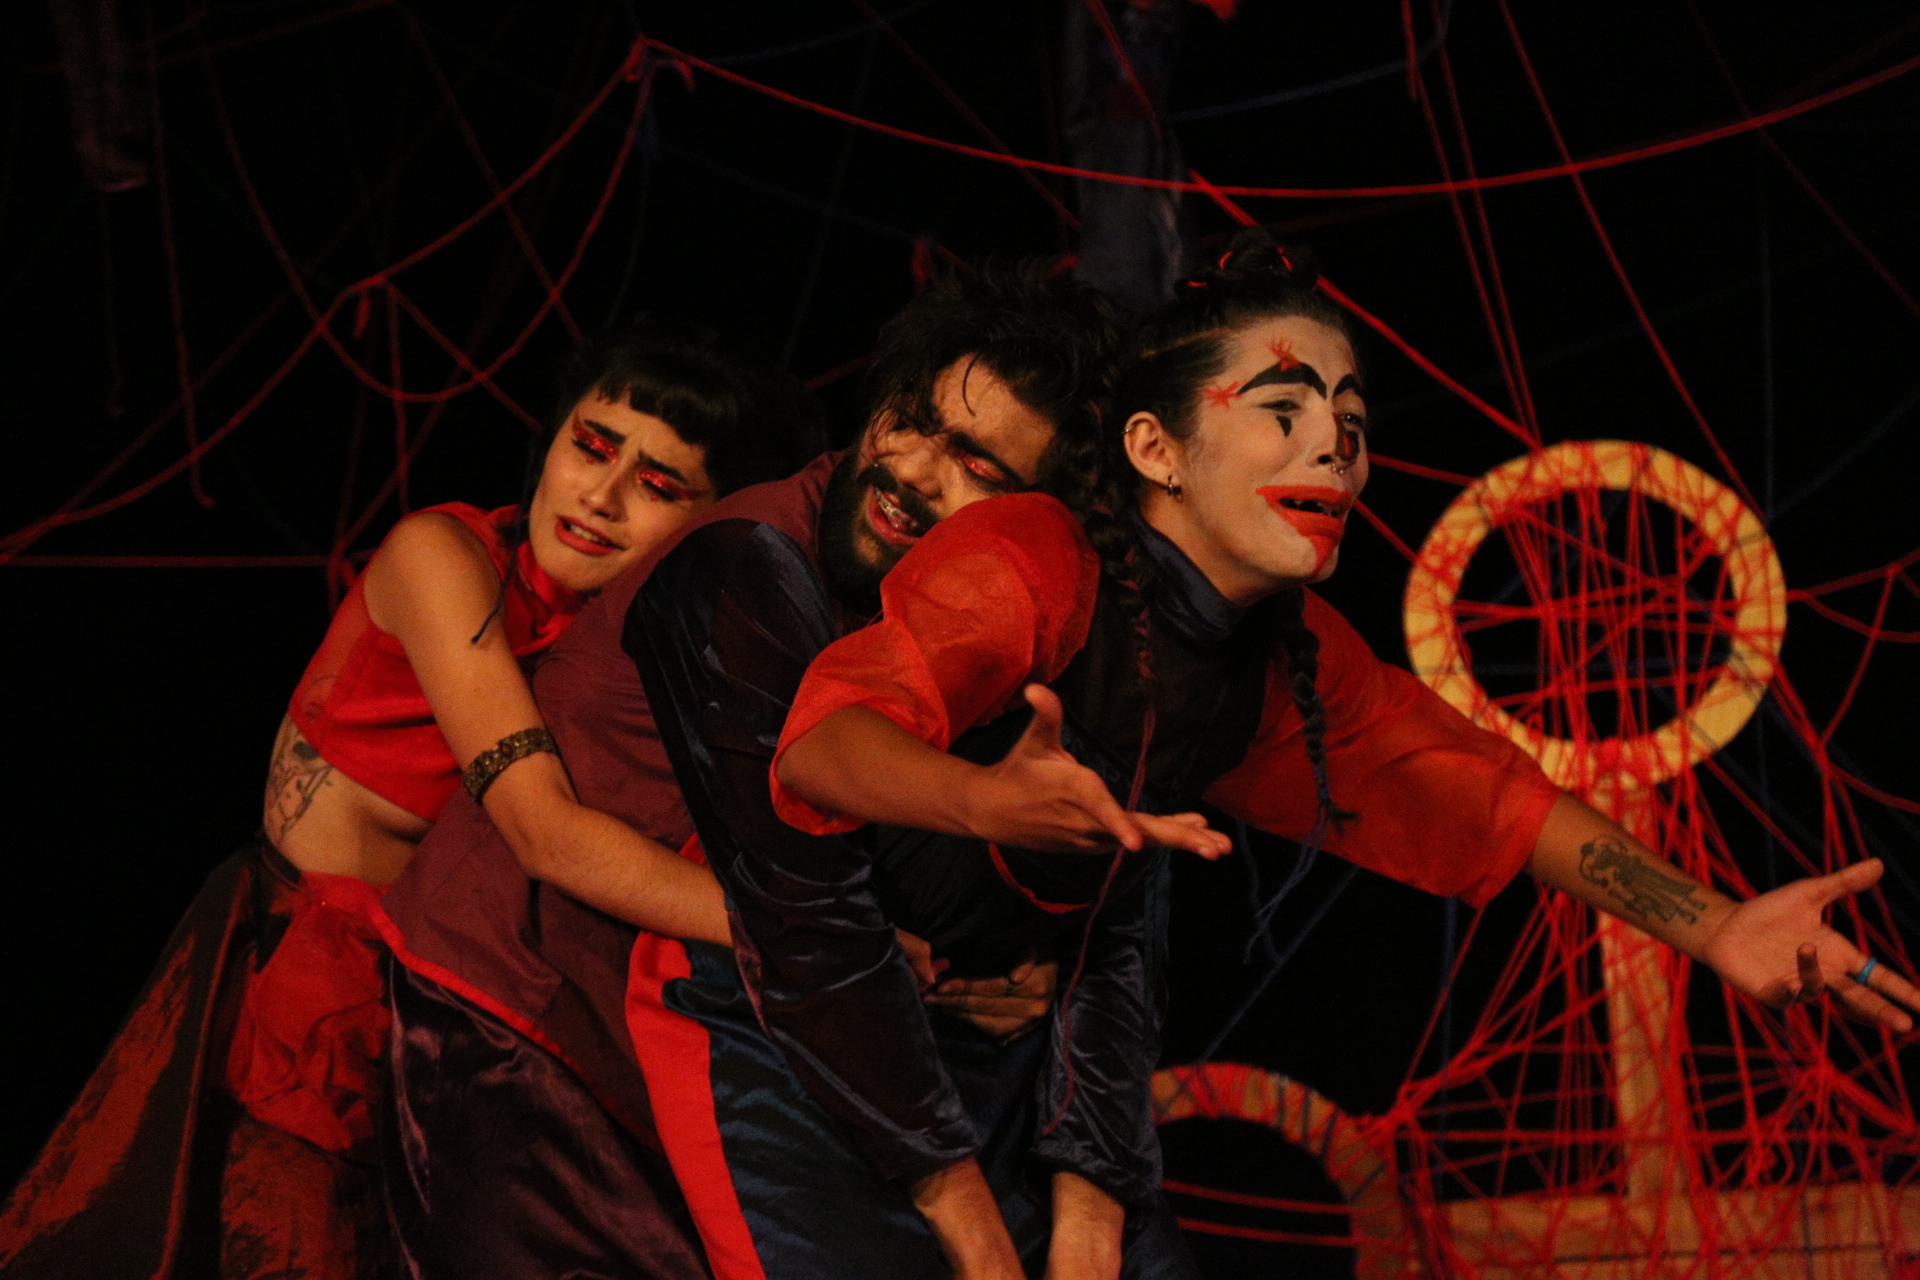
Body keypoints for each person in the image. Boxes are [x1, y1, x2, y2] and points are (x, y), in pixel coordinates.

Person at [765, 228, 1920, 1278]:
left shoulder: (1288, 656)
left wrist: (1715, 925)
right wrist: (983, 797)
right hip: (813, 1043)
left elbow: (1491, 799)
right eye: (1285, 412)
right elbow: (820, 744)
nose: (1336, 451)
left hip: (1026, 1067)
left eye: (1353, 427)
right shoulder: (1031, 556)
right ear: (1157, 447)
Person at [0, 319, 822, 1280]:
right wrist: (816, 934)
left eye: (658, 483)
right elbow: (546, 835)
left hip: (445, 1006)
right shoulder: (442, 554)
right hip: (306, 983)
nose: (598, 496)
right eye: (592, 447)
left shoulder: (638, 642)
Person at [370, 261, 1140, 1278]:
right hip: (509, 1012)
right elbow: (794, 899)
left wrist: (1004, 975)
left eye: (979, 468)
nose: (913, 469)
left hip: (680, 1035)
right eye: (910, 420)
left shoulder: (975, 607)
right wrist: (914, 972)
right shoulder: (749, 563)